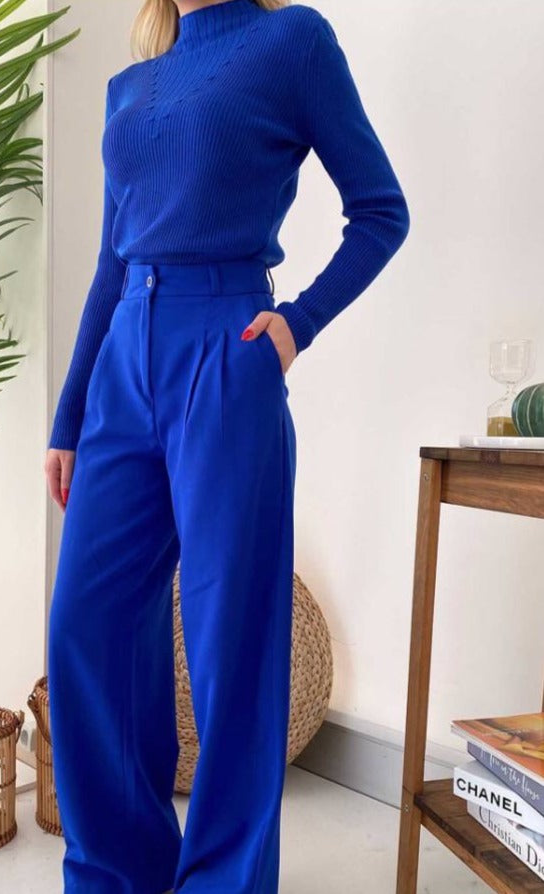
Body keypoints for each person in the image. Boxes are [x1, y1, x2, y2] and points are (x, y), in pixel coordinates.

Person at [44, 1, 410, 892]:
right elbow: (110, 263)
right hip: (123, 359)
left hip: (225, 347)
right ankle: (117, 873)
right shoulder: (129, 86)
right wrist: (69, 416)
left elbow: (380, 211)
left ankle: (223, 882)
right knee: (86, 628)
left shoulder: (290, 41)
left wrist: (296, 325)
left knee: (230, 642)